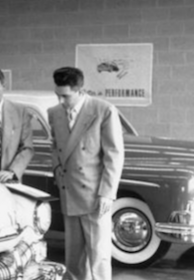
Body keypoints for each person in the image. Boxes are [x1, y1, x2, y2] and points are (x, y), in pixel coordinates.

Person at [48, 67, 124, 280]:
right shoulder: (54, 113)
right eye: (58, 95)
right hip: (69, 191)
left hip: (95, 195)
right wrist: (58, 172)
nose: (61, 101)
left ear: (80, 91)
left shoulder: (103, 110)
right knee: (73, 257)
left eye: (66, 96)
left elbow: (114, 155)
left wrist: (107, 193)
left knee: (98, 256)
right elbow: (54, 147)